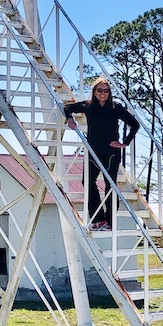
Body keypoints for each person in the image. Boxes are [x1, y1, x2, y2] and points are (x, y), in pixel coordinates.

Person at [64, 78, 139, 231]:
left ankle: (110, 222)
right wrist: (70, 119)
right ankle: (99, 219)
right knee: (87, 181)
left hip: (111, 152)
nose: (102, 93)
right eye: (99, 90)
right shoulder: (88, 106)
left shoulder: (115, 108)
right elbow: (67, 107)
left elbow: (135, 125)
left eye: (106, 90)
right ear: (94, 91)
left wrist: (125, 142)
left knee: (110, 185)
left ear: (109, 92)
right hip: (93, 151)